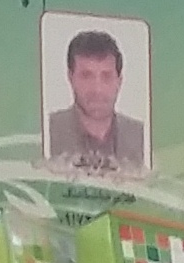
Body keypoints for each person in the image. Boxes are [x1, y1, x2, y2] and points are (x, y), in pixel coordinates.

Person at [46, 30, 145, 173]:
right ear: (70, 77)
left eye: (106, 76)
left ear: (119, 81)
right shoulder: (48, 131)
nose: (97, 89)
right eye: (86, 76)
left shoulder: (141, 136)